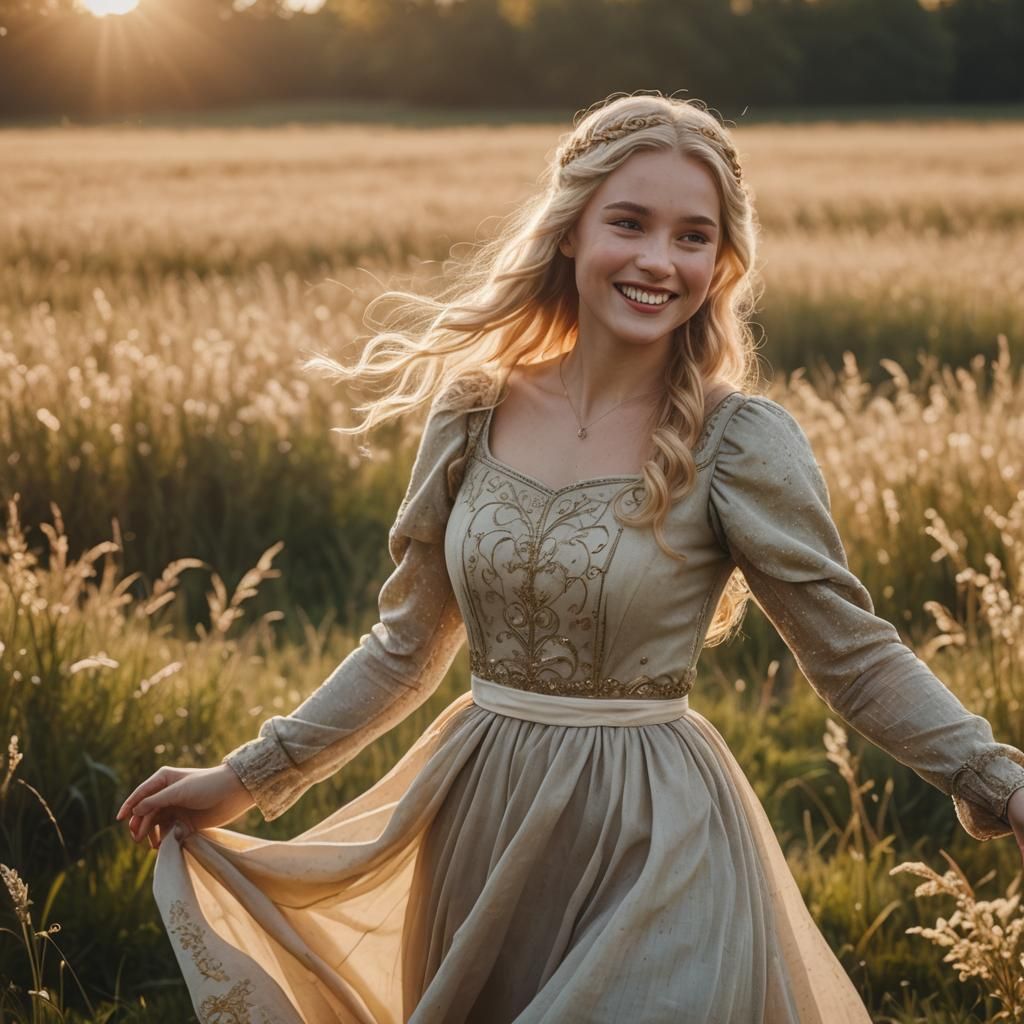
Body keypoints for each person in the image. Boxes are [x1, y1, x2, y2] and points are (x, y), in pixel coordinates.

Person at [116, 92, 1024, 1023]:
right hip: (482, 824)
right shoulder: (472, 410)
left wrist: (999, 781)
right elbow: (404, 648)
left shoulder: (741, 441)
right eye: (628, 223)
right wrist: (247, 777)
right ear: (569, 231)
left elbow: (854, 655)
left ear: (721, 263)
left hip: (655, 837)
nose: (657, 261)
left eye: (692, 237)